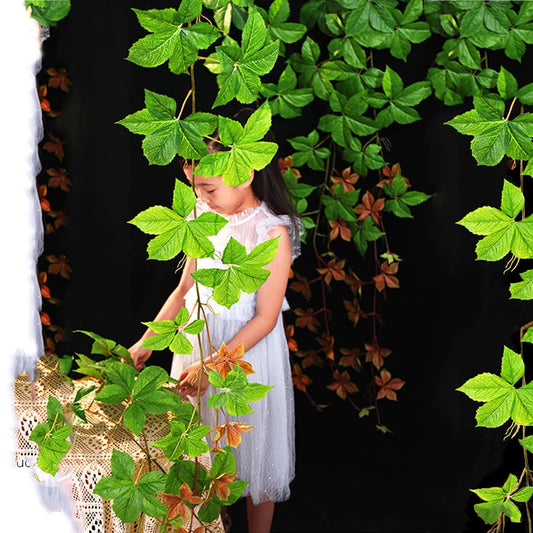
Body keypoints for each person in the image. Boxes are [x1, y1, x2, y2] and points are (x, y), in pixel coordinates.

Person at [129, 110, 301, 533]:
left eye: (209, 187)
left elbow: (264, 318)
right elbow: (186, 287)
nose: (201, 197)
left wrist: (215, 366)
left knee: (254, 452)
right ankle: (209, 524)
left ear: (244, 173)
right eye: (196, 188)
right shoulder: (200, 214)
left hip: (242, 355)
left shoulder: (271, 232)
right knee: (199, 451)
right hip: (196, 342)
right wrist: (147, 340)